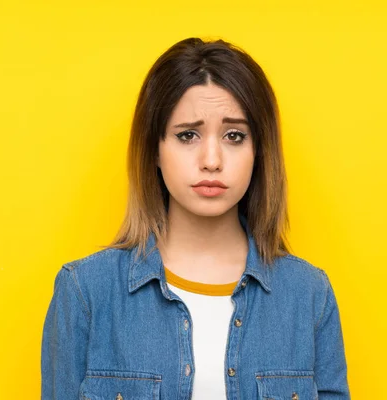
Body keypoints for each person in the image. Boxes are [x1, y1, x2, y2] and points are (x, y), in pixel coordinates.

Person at [41, 37, 350, 400]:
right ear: (154, 149)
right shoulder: (85, 292)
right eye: (188, 135)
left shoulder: (309, 295)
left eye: (234, 136)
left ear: (259, 152)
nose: (212, 159)